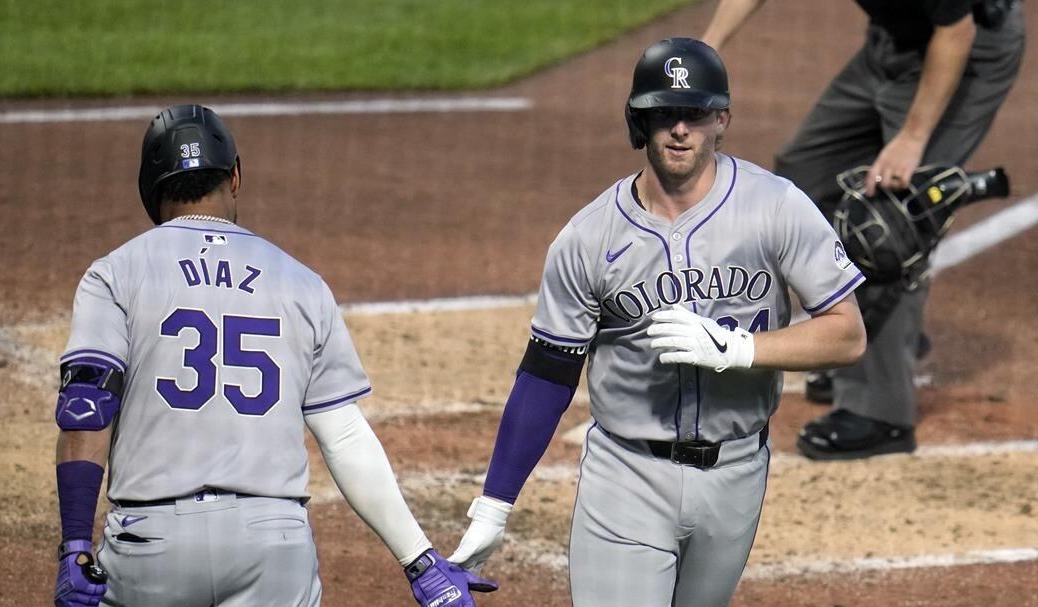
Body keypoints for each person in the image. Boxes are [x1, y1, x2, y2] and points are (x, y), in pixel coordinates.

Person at [447, 38, 866, 606]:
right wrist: (495, 504)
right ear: (639, 121)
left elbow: (847, 334)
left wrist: (739, 349)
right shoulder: (588, 237)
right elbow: (546, 374)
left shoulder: (776, 207)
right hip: (627, 476)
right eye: (664, 113)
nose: (680, 130)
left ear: (721, 120)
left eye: (695, 114)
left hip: (738, 472)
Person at [52, 104, 497, 607]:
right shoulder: (301, 283)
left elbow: (86, 409)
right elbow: (343, 435)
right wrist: (420, 560)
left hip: (151, 544)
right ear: (235, 176)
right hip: (274, 546)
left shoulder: (115, 273)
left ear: (149, 188)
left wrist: (75, 547)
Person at [702, 0, 1024, 459]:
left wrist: (912, 138)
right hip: (891, 45)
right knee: (807, 174)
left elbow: (956, 33)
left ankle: (881, 413)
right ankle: (856, 341)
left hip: (967, 51)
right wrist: (708, 47)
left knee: (893, 217)